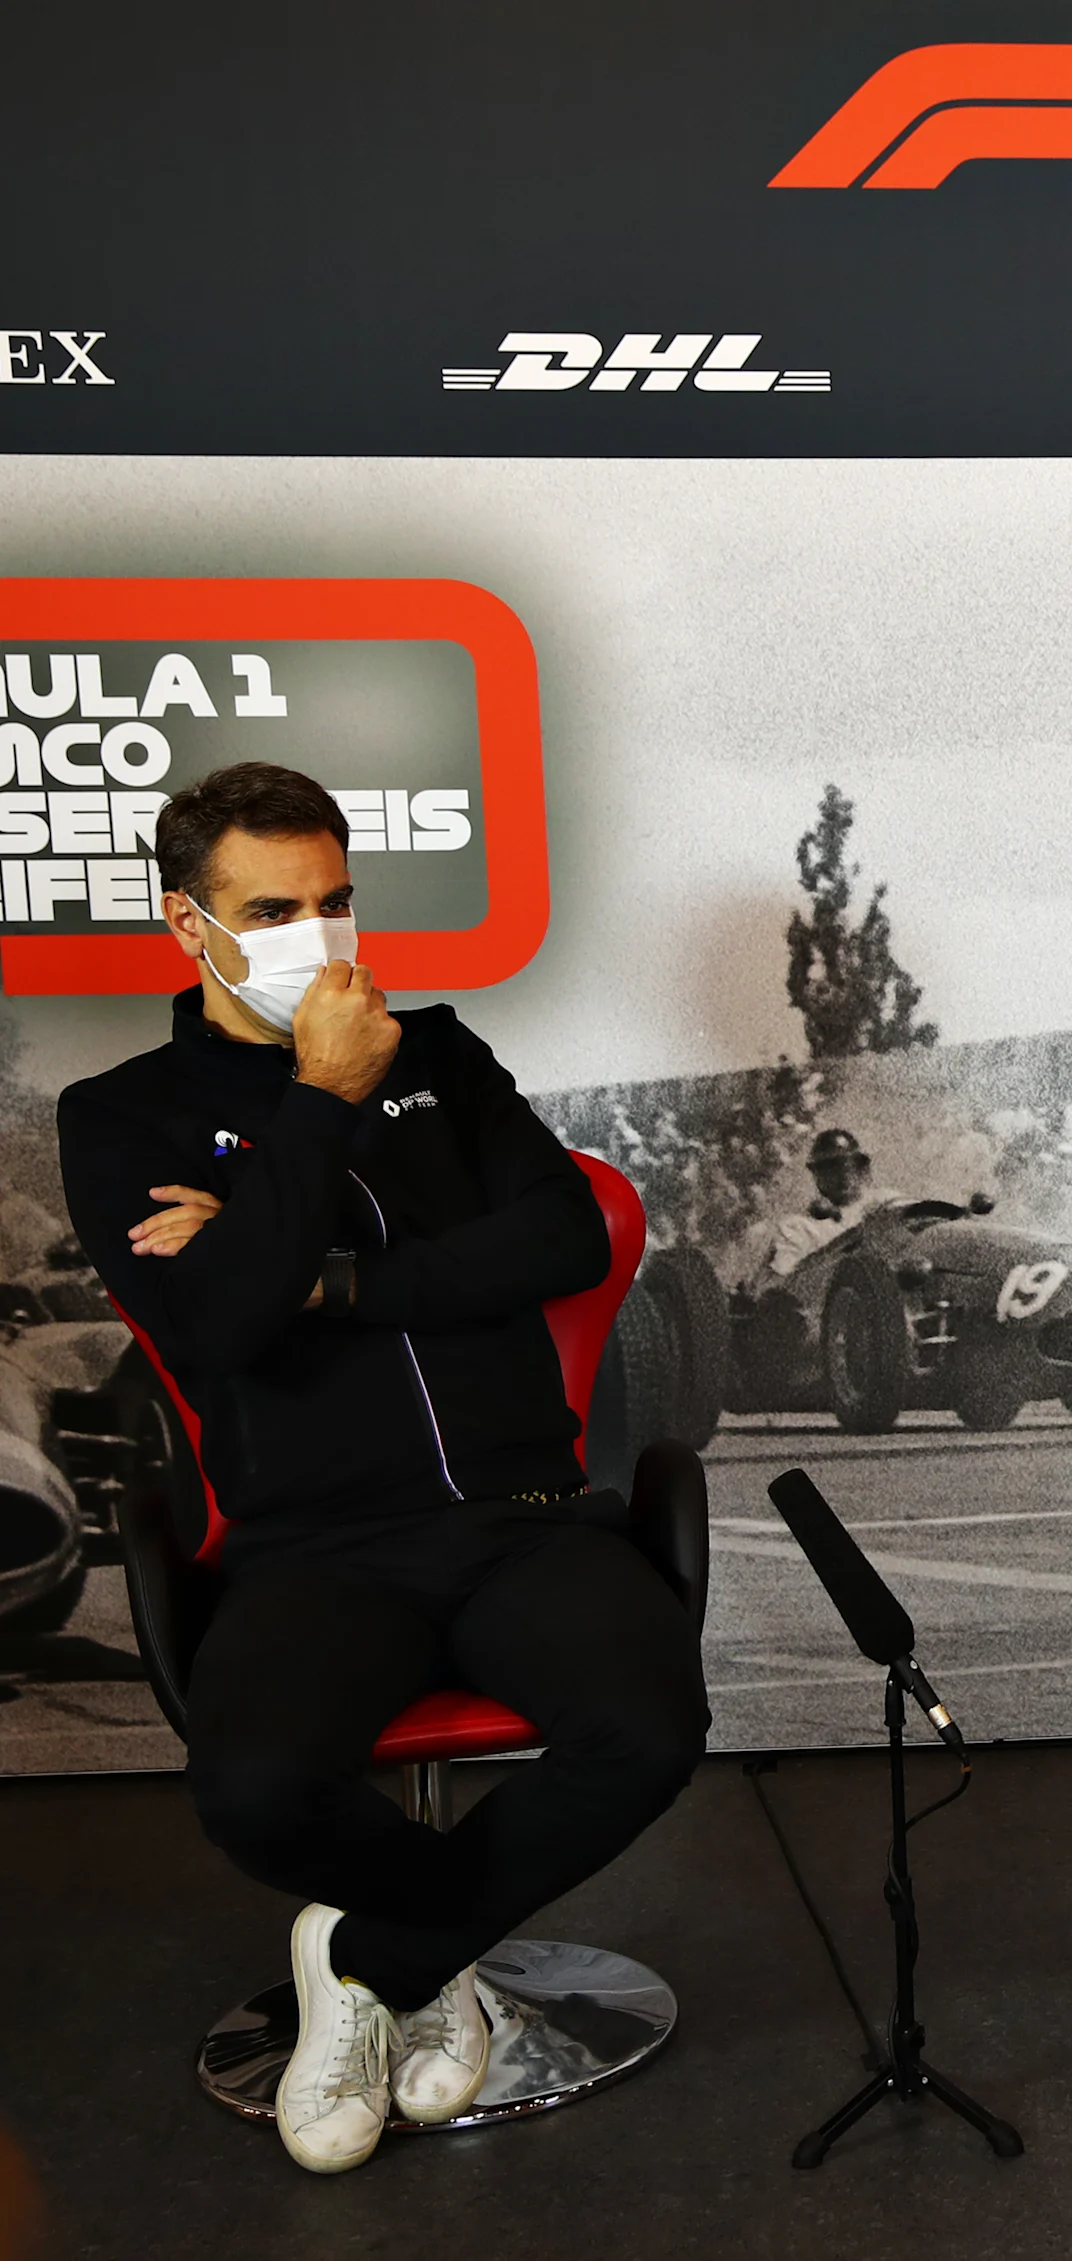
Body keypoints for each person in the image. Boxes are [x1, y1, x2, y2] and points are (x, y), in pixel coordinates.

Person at [57, 764, 708, 2173]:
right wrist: (321, 1098)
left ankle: (377, 1957)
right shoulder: (119, 1119)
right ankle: (437, 1957)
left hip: (523, 1516)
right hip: (314, 1546)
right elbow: (219, 1320)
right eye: (273, 908)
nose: (321, 934)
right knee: (252, 1788)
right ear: (190, 927)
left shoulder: (447, 1060)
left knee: (648, 1729)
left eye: (337, 900)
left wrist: (327, 1276)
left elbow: (566, 1240)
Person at [764, 1126, 878, 1277]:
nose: (842, 1172)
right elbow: (783, 1281)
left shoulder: (885, 1201)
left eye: (848, 1163)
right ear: (816, 1173)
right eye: (830, 1166)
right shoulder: (798, 1227)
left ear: (860, 1166)